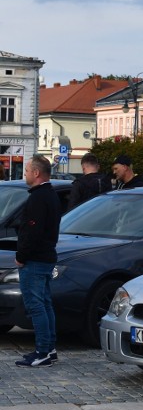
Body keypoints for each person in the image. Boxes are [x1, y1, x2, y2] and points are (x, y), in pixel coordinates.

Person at [15, 154, 61, 367]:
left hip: (34, 259)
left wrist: (21, 256)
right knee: (44, 303)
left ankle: (42, 351)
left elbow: (33, 231)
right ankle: (49, 348)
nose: (24, 174)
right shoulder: (50, 195)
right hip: (46, 256)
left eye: (26, 171)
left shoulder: (38, 197)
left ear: (36, 173)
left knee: (36, 306)